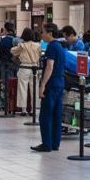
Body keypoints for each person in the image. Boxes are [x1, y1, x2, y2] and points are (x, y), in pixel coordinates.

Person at [33, 24, 66, 152]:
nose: (41, 35)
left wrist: (42, 85)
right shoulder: (60, 47)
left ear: (50, 33)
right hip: (60, 82)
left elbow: (50, 66)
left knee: (46, 114)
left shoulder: (52, 47)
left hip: (51, 83)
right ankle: (55, 143)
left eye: (43, 32)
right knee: (56, 114)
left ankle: (46, 143)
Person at [12, 28, 41, 115]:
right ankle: (33, 109)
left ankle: (23, 109)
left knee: (22, 88)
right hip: (34, 68)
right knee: (34, 89)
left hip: (24, 67)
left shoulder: (22, 45)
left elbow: (13, 51)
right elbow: (40, 55)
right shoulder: (37, 45)